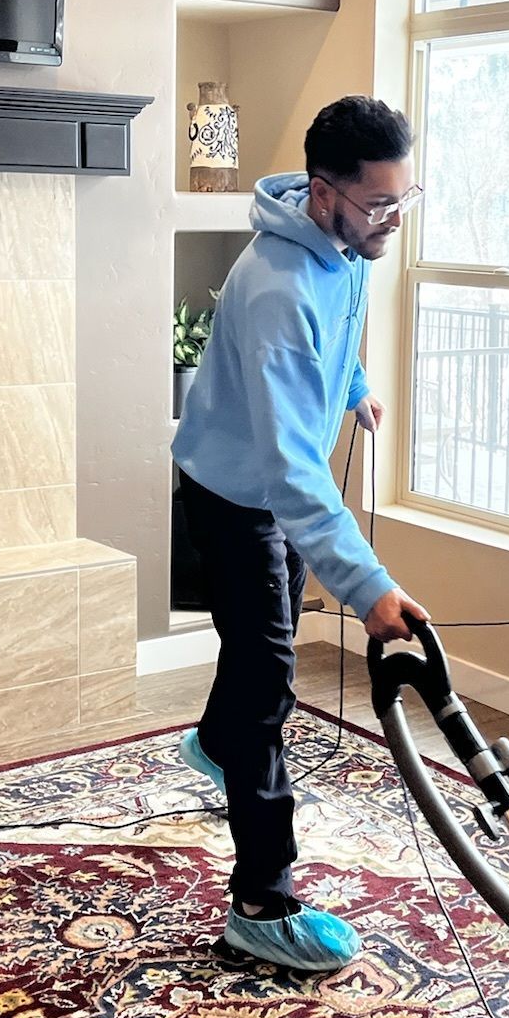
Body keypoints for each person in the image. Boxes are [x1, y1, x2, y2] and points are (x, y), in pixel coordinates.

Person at [172, 95, 428, 972]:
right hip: (234, 492)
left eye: (404, 199)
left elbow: (345, 313)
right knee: (268, 678)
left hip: (270, 485)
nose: (391, 222)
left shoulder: (343, 243)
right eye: (378, 206)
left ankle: (214, 741)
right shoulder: (276, 290)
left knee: (256, 659)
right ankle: (260, 902)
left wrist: (352, 380)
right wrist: (369, 588)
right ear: (323, 195)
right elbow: (291, 478)